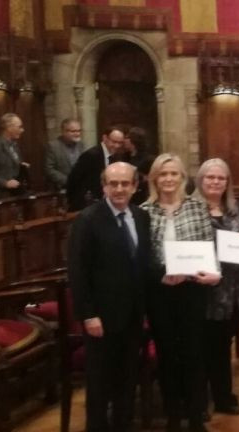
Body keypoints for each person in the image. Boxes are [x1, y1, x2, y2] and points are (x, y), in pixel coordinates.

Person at [67, 162, 152, 431]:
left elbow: (143, 263)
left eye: (125, 183)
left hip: (132, 314)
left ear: (135, 187)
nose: (119, 189)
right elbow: (78, 271)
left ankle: (123, 425)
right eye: (113, 184)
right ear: (103, 187)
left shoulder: (141, 217)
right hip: (101, 317)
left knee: (127, 378)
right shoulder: (88, 220)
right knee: (100, 382)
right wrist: (88, 315)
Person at [141, 153, 221, 432]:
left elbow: (208, 247)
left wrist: (211, 272)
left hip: (192, 290)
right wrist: (161, 274)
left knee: (194, 353)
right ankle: (173, 415)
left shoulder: (197, 207)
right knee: (167, 354)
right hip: (160, 292)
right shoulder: (144, 211)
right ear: (154, 179)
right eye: (163, 174)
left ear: (183, 178)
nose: (169, 179)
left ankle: (196, 416)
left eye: (174, 173)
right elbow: (142, 256)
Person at [194, 158, 239, 417]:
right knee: (204, 347)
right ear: (201, 180)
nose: (216, 182)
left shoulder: (232, 209)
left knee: (223, 345)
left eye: (221, 178)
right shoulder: (192, 209)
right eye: (211, 177)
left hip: (232, 291)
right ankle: (201, 400)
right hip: (204, 290)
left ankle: (223, 396)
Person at [67, 126, 126, 211]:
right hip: (86, 204)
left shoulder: (117, 156)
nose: (117, 146)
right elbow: (73, 179)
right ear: (105, 138)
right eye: (114, 142)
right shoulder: (91, 155)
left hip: (105, 203)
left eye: (120, 143)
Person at [0, 113, 29, 194]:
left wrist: (21, 165)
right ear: (9, 128)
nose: (22, 130)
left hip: (17, 191)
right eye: (19, 127)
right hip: (2, 193)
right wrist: (4, 183)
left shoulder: (14, 145)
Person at [45, 118, 83, 190]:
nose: (77, 134)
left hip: (81, 187)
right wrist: (69, 181)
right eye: (73, 131)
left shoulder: (82, 145)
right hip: (62, 188)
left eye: (79, 131)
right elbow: (49, 170)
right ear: (63, 132)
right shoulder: (53, 146)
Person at [124, 126, 153, 205]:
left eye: (127, 138)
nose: (124, 140)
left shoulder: (147, 159)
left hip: (140, 197)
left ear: (133, 140)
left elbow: (150, 178)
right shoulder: (124, 157)